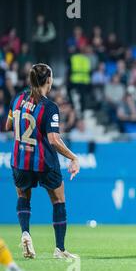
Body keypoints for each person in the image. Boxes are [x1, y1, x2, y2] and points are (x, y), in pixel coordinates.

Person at [5, 64, 80, 259]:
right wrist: (73, 157)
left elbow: (7, 125)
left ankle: (25, 233)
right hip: (44, 161)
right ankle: (60, 249)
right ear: (49, 80)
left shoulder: (17, 99)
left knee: (23, 197)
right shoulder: (50, 107)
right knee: (58, 201)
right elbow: (54, 140)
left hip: (20, 159)